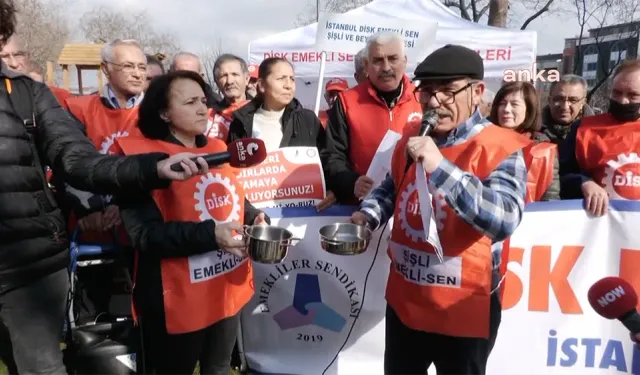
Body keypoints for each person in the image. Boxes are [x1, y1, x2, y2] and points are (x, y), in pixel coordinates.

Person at [0, 1, 211, 374]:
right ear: (106, 70)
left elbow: (77, 159)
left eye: (139, 66)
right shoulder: (82, 106)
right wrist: (89, 207)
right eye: (125, 66)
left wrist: (152, 169)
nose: (135, 73)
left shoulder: (26, 94)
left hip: (29, 264)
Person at [351, 44, 530, 375]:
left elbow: (503, 220)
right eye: (427, 92)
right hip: (408, 297)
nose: (434, 103)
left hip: (465, 304)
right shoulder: (413, 135)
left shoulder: (501, 146)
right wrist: (367, 216)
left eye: (448, 92)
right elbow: (393, 186)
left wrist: (439, 165)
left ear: (476, 92)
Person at [116, 70, 268, 375]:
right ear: (164, 113)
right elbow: (145, 234)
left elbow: (233, 197)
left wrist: (255, 216)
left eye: (203, 100)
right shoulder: (141, 160)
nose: (203, 109)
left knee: (218, 366)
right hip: (173, 297)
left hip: (224, 285)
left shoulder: (216, 148)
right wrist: (212, 235)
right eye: (189, 102)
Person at [322, 32, 422, 204]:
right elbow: (332, 155)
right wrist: (351, 182)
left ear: (404, 61)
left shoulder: (423, 98)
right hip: (363, 206)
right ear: (367, 65)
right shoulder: (347, 102)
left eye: (393, 59)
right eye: (378, 60)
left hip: (412, 205)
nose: (386, 68)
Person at [561, 60, 640, 215]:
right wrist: (584, 182)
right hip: (595, 225)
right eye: (617, 93)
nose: (623, 101)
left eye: (633, 95)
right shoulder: (583, 128)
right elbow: (562, 172)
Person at [228, 57, 324, 151]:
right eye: (281, 78)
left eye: (292, 79)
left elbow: (325, 159)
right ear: (262, 85)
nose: (288, 85)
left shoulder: (307, 120)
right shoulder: (241, 123)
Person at [491, 81, 560, 202]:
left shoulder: (543, 150)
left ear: (529, 109)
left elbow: (551, 199)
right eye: (502, 103)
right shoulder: (481, 140)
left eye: (514, 104)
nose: (506, 109)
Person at [0, 34, 72, 108]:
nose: (14, 64)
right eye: (4, 56)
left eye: (18, 54)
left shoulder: (54, 100)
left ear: (28, 57)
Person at [208, 54, 252, 141]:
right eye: (223, 76)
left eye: (235, 74)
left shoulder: (260, 112)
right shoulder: (209, 116)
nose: (229, 81)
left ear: (246, 79)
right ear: (216, 82)